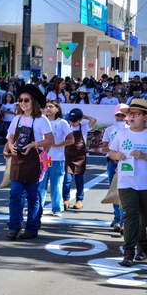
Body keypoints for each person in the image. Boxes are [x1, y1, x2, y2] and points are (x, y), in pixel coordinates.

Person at [5, 84, 54, 239]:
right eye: (20, 100)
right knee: (15, 195)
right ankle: (14, 226)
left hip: (34, 162)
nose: (22, 103)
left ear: (33, 102)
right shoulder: (17, 118)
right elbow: (10, 137)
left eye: (26, 100)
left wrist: (35, 144)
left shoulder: (42, 120)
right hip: (18, 161)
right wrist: (11, 146)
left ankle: (32, 228)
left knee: (33, 197)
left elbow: (50, 140)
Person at [108, 99, 147, 268]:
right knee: (130, 216)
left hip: (145, 183)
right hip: (126, 181)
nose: (131, 116)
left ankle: (142, 248)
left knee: (143, 217)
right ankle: (128, 253)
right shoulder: (122, 133)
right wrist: (116, 156)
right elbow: (111, 151)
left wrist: (144, 155)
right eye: (129, 113)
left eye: (136, 114)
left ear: (145, 117)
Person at [101, 103, 129, 233]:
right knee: (114, 191)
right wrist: (114, 147)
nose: (121, 117)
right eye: (118, 115)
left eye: (123, 115)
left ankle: (122, 220)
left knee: (125, 192)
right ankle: (117, 218)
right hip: (112, 162)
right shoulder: (109, 130)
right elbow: (104, 148)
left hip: (126, 163)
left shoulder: (130, 129)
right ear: (115, 115)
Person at [62, 107, 97, 210]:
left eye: (74, 120)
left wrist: (84, 116)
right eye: (71, 120)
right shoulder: (67, 127)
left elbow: (93, 120)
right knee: (67, 180)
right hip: (68, 156)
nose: (72, 123)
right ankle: (66, 199)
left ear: (80, 120)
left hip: (80, 157)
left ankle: (79, 200)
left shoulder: (84, 127)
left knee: (79, 180)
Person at [42, 100, 71, 216]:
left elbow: (71, 139)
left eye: (51, 106)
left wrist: (57, 144)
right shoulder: (41, 121)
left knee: (56, 184)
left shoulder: (62, 123)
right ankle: (36, 207)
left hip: (57, 158)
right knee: (40, 185)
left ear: (57, 109)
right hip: (42, 158)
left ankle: (57, 208)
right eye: (46, 107)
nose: (48, 108)